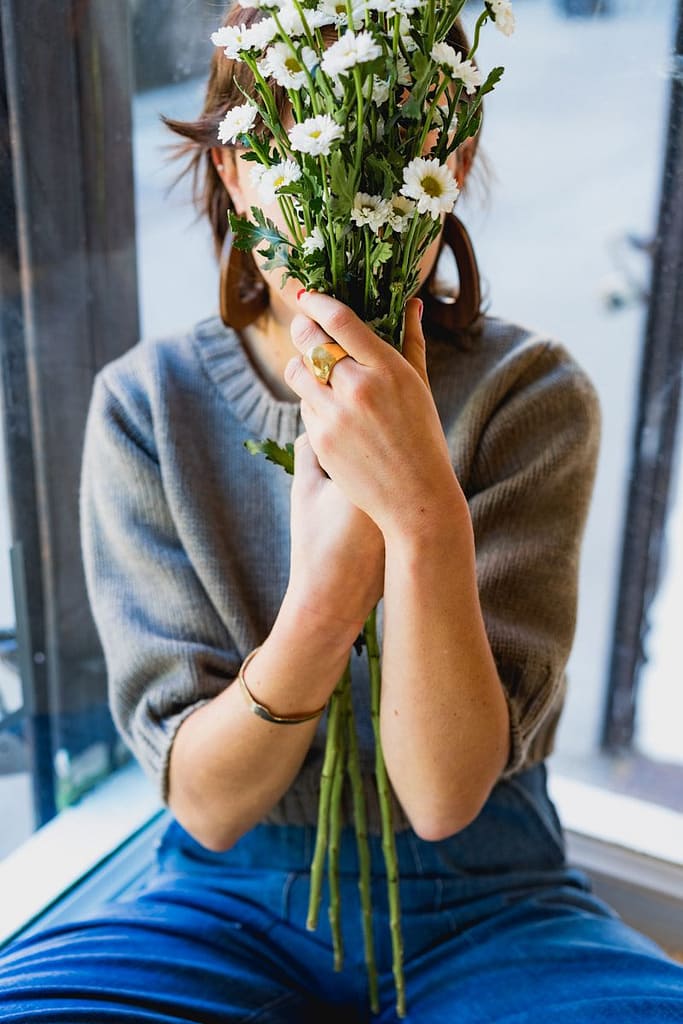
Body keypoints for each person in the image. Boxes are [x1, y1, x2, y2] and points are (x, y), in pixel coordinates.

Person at [1, 4, 682, 1022]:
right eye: (306, 148)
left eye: (393, 157)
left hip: (487, 896)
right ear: (233, 172)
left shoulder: (529, 397)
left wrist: (419, 518)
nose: (344, 203)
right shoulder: (148, 407)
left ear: (445, 170)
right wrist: (322, 601)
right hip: (222, 896)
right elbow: (209, 804)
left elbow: (446, 800)